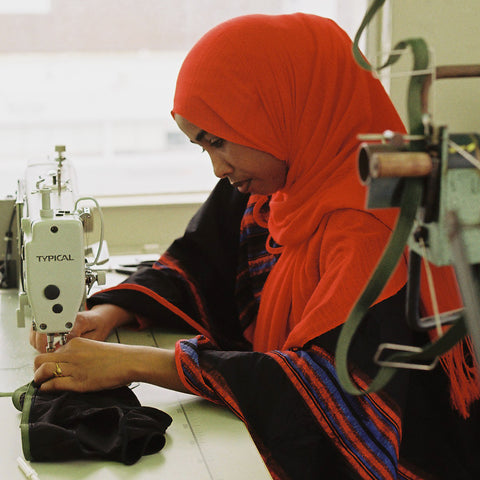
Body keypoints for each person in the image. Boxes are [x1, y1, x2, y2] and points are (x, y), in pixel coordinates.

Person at [32, 13, 480, 480]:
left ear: (284, 107)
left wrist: (135, 364)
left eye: (219, 141)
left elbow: (325, 392)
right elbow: (199, 264)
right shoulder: (277, 185)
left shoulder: (371, 230)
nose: (216, 168)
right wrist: (104, 316)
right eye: (201, 147)